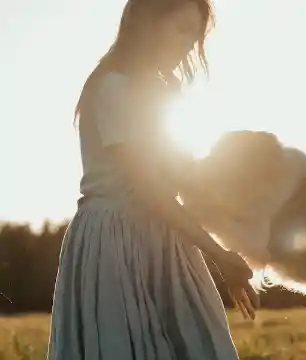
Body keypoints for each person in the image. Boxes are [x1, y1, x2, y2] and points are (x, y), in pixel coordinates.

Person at [47, 0, 258, 359]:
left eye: (194, 37)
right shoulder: (113, 87)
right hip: (117, 240)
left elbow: (178, 182)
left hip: (163, 236)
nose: (187, 46)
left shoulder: (158, 94)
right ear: (147, 23)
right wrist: (218, 254)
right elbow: (150, 191)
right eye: (181, 31)